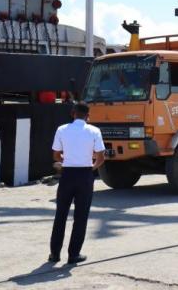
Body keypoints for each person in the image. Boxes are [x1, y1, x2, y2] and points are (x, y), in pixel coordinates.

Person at [49, 102, 105, 264]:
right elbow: (101, 158)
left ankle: (54, 254)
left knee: (61, 214)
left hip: (67, 175)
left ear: (73, 113)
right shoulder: (94, 131)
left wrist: (66, 160)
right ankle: (73, 254)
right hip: (85, 175)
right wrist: (91, 167)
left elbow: (56, 155)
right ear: (88, 116)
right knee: (81, 217)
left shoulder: (62, 129)